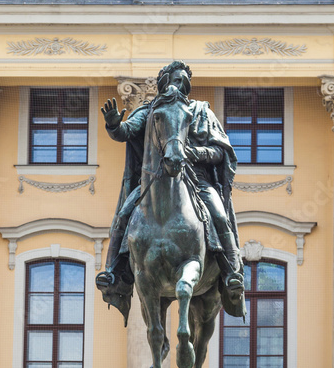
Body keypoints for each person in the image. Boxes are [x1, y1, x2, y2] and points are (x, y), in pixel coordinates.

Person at [96, 60, 245, 320]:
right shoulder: (151, 110)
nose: (181, 85)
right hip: (154, 180)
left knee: (219, 216)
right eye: (177, 80)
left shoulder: (201, 111)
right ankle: (112, 271)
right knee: (123, 214)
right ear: (164, 82)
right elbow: (126, 131)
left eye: (185, 81)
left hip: (196, 179)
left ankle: (232, 272)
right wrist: (113, 125)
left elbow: (221, 151)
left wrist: (193, 152)